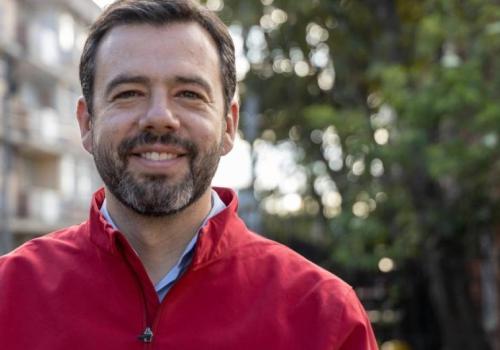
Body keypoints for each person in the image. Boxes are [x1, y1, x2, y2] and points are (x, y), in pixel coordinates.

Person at [0, 0, 378, 349]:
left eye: (189, 94)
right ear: (86, 123)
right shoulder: (8, 295)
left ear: (229, 125)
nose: (160, 117)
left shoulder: (324, 317)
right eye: (129, 93)